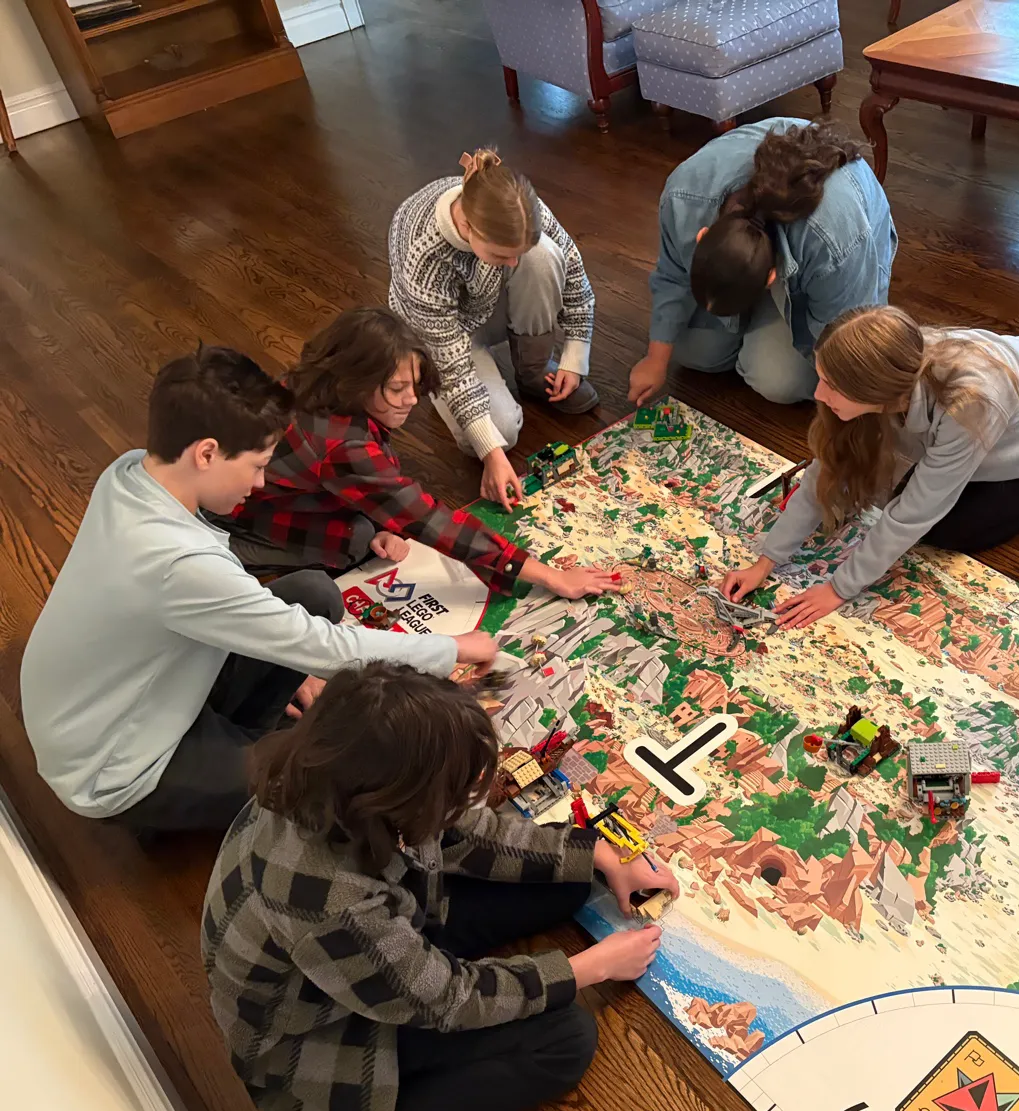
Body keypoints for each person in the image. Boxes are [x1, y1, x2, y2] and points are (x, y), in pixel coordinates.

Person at [19, 346, 497, 835]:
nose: (262, 481)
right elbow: (321, 645)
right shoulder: (178, 564)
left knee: (315, 592)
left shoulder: (130, 470)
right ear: (206, 453)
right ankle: (235, 761)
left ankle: (251, 738)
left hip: (114, 701)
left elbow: (264, 619)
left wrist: (297, 665)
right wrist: (451, 647)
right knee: (329, 779)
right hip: (114, 767)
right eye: (256, 465)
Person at [202, 662, 677, 1111]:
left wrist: (598, 852)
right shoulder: (329, 899)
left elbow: (458, 832)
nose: (460, 804)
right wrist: (591, 968)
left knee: (567, 880)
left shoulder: (337, 778)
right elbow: (450, 999)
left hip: (368, 949)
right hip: (328, 1037)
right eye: (447, 792)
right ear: (398, 796)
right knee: (568, 1037)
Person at [723, 306, 1019, 628]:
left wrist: (837, 590)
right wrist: (766, 561)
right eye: (821, 377)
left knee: (949, 529)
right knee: (892, 479)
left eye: (832, 386)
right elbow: (827, 467)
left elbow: (911, 516)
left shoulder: (969, 403)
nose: (816, 393)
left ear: (875, 394)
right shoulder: (894, 365)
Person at [219, 307, 617, 601]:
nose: (411, 400)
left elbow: (373, 485)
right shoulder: (343, 445)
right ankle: (238, 550)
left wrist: (380, 517)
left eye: (414, 386)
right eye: (396, 390)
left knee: (370, 528)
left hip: (282, 490)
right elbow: (429, 519)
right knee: (355, 540)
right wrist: (549, 575)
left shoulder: (314, 384)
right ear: (354, 379)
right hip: (243, 519)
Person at [629, 118, 897, 409]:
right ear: (702, 235)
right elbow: (671, 275)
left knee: (776, 381)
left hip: (838, 247)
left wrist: (842, 393)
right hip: (773, 248)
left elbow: (845, 339)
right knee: (690, 351)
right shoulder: (682, 196)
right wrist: (655, 360)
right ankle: (756, 335)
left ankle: (763, 341)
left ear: (772, 277)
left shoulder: (834, 240)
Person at [389, 148, 599, 514]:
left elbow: (574, 273)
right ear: (468, 228)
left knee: (543, 255)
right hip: (444, 339)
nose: (513, 263)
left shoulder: (515, 207)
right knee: (501, 431)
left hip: (486, 302)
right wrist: (491, 453)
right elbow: (452, 366)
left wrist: (574, 356)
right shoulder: (422, 260)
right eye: (503, 256)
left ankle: (533, 371)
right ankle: (450, 382)